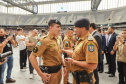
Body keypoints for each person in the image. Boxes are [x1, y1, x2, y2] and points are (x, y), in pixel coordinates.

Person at [29, 19, 67, 84]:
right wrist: (41, 74)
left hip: (59, 72)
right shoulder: (44, 40)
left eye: (60, 27)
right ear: (51, 28)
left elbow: (59, 54)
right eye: (58, 27)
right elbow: (32, 57)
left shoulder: (57, 39)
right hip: (50, 74)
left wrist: (64, 66)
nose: (60, 29)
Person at [63, 17, 98, 84]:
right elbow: (78, 53)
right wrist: (64, 51)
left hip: (85, 80)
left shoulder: (89, 42)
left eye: (76, 28)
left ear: (83, 28)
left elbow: (93, 65)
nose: (74, 30)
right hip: (78, 79)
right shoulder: (81, 40)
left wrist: (73, 61)